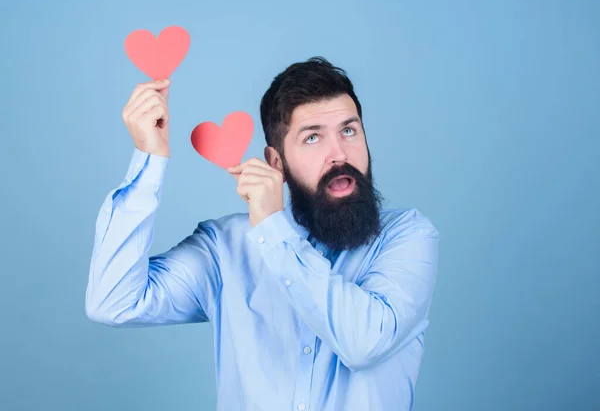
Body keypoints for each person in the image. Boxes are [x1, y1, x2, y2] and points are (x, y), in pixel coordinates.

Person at [85, 56, 440, 411]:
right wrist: (150, 159)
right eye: (313, 137)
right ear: (276, 163)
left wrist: (273, 228)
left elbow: (364, 343)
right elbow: (114, 302)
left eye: (349, 130)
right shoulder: (225, 248)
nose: (339, 154)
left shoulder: (407, 237)